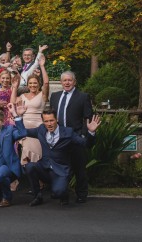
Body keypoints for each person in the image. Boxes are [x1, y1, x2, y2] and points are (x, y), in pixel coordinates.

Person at [24, 109, 100, 206]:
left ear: (57, 119)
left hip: (60, 171)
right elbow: (23, 132)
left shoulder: (68, 132)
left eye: (51, 120)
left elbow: (85, 144)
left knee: (57, 193)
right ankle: (37, 197)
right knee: (30, 166)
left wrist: (91, 132)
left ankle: (63, 192)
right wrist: (17, 116)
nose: (49, 124)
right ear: (43, 122)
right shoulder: (41, 129)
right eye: (46, 121)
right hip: (45, 168)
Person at [49, 70, 93, 203]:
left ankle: (81, 194)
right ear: (61, 82)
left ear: (74, 82)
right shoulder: (55, 96)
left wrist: (84, 135)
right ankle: (64, 195)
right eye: (64, 80)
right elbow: (51, 117)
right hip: (59, 138)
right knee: (62, 169)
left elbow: (87, 118)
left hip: (76, 136)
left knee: (79, 168)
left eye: (70, 80)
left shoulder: (83, 96)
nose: (67, 82)